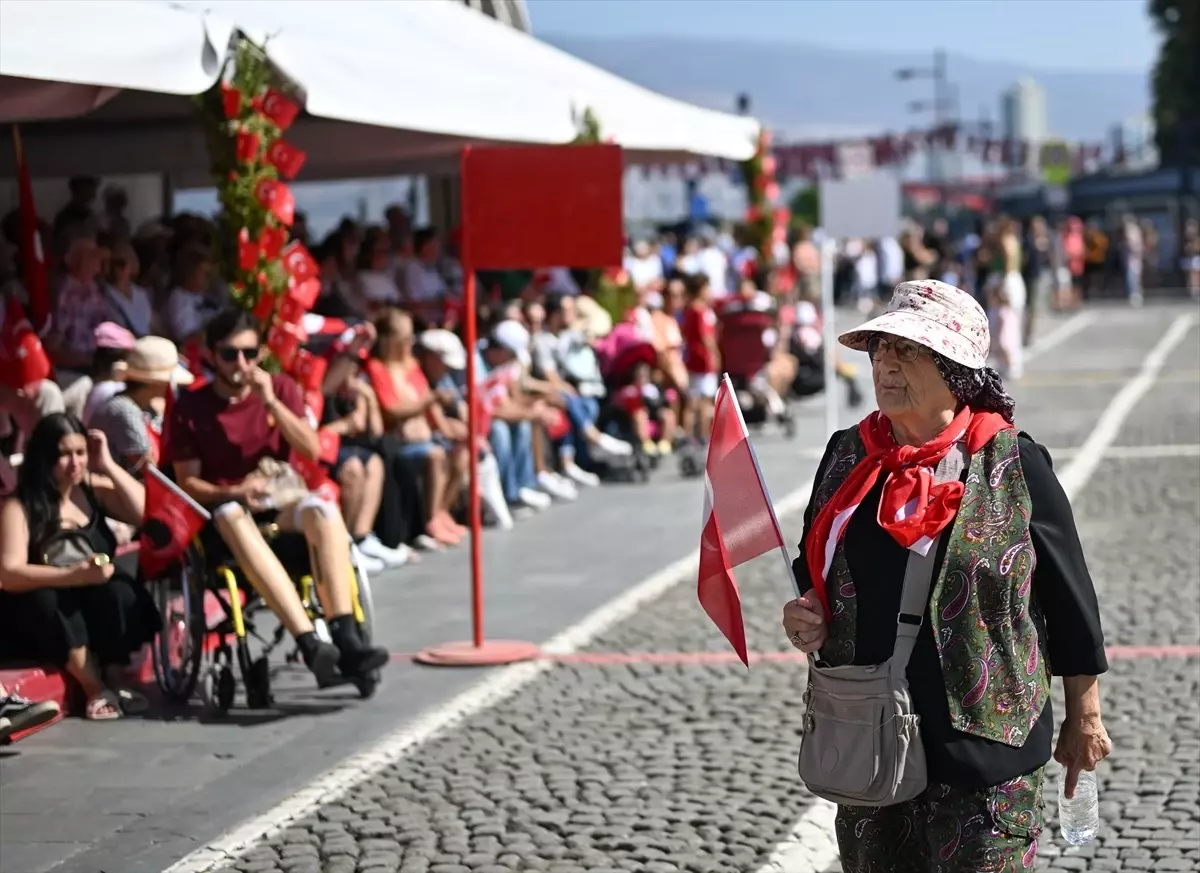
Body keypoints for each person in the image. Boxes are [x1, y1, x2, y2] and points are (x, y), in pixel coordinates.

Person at [782, 280, 1112, 871]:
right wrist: (806, 614)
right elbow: (817, 570)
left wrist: (1084, 716)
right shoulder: (846, 456)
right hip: (867, 736)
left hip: (988, 747)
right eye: (880, 347)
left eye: (905, 349)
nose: (884, 361)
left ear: (955, 369)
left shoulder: (1013, 462)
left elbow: (1070, 599)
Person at [167, 308, 388, 688]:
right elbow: (187, 482)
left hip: (278, 505)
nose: (241, 363)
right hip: (225, 517)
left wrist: (271, 403)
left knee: (322, 508)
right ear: (211, 356)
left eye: (250, 354)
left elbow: (312, 447)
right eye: (230, 354)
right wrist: (234, 490)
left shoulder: (280, 389)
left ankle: (346, 637)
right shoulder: (191, 408)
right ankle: (308, 642)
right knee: (233, 513)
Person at [0, 415, 160, 720]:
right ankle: (94, 687)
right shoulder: (20, 506)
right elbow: (9, 573)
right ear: (44, 457)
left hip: (92, 599)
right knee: (48, 599)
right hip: (41, 612)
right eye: (64, 454)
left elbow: (144, 514)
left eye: (80, 452)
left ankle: (116, 680)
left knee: (119, 590)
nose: (74, 463)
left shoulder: (90, 489)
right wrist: (72, 575)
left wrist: (108, 465)